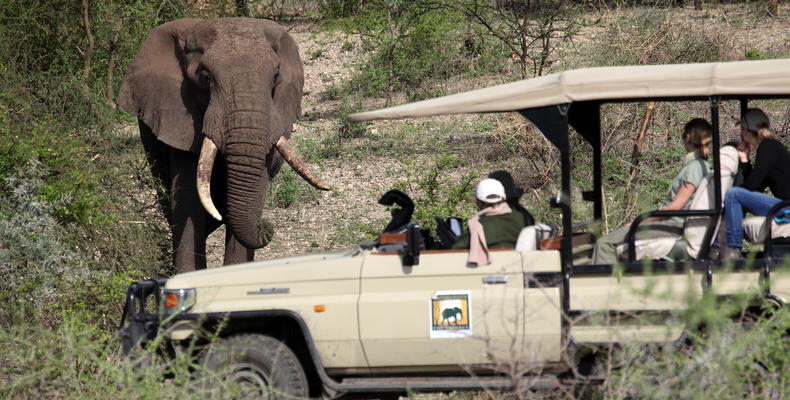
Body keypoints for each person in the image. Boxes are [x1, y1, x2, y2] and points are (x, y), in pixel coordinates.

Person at [592, 118, 712, 265]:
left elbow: (676, 207)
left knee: (604, 243)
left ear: (687, 137)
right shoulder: (702, 165)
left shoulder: (695, 167)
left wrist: (643, 220)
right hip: (672, 224)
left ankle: (604, 285)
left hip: (672, 226)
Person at [722, 108, 790, 259]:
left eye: (741, 128)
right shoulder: (769, 147)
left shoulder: (768, 147)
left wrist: (730, 200)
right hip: (783, 206)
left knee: (733, 194)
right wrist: (745, 160)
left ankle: (732, 248)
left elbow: (752, 185)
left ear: (746, 130)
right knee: (736, 195)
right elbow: (757, 188)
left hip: (786, 208)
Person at [452, 178, 528, 264]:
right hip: (519, 266)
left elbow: (456, 250)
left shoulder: (477, 223)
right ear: (504, 198)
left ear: (477, 202)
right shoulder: (521, 217)